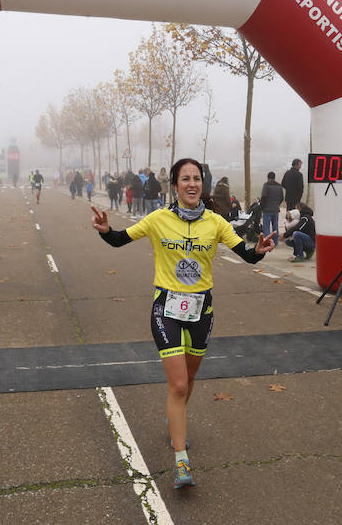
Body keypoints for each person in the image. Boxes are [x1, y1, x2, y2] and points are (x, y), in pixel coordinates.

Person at [91, 158, 276, 489]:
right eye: (185, 179)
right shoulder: (159, 219)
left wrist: (259, 251)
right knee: (177, 385)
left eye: (197, 179)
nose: (192, 184)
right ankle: (181, 462)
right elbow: (120, 238)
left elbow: (246, 255)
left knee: (189, 378)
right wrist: (106, 231)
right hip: (167, 309)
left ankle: (174, 416)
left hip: (202, 310)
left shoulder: (216, 222)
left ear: (201, 185)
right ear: (174, 185)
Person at [260, 171, 283, 247]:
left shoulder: (266, 185)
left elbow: (264, 197)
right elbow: (282, 198)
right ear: (274, 177)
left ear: (268, 177)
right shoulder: (279, 186)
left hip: (267, 209)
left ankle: (268, 242)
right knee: (275, 226)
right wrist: (277, 204)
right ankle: (275, 243)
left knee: (266, 227)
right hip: (276, 210)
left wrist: (262, 206)